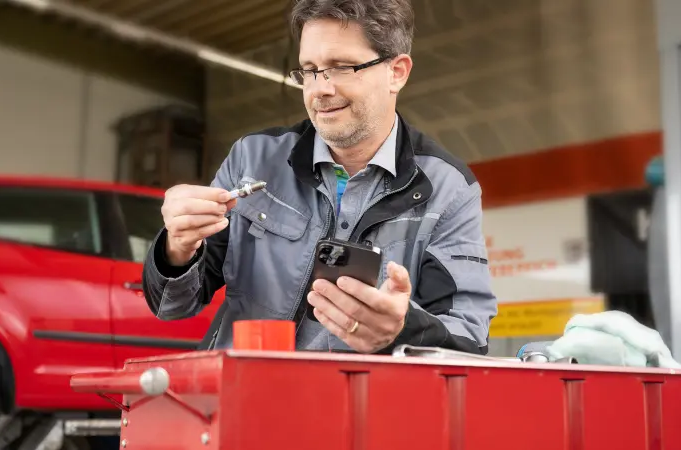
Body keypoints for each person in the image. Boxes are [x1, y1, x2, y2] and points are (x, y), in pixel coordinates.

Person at [142, 0, 498, 355]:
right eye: (309, 70)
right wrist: (177, 248)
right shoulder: (253, 158)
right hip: (240, 385)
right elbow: (171, 306)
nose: (319, 90)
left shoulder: (448, 189)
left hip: (355, 392)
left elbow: (469, 338)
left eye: (341, 68)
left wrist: (402, 328)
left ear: (397, 72)